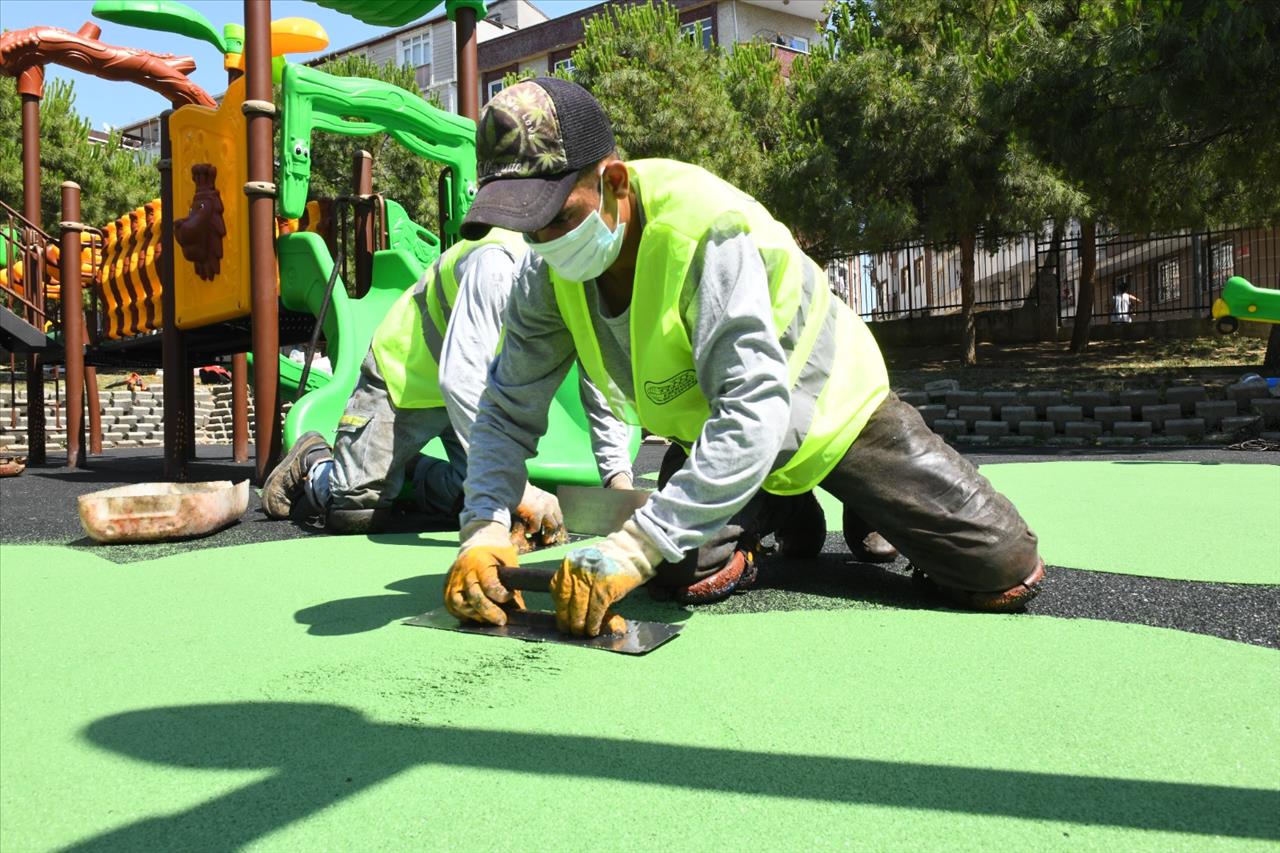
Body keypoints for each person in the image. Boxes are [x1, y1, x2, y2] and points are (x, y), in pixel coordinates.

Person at [443, 78, 1044, 635]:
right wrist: (485, 528)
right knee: (678, 570)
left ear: (615, 182)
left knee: (1002, 568)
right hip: (723, 428)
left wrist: (631, 549)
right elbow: (506, 409)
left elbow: (757, 408)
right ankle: (781, 505)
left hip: (832, 410)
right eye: (528, 226)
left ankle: (864, 500)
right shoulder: (544, 274)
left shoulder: (704, 230)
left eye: (559, 217)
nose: (546, 240)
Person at [260, 228, 636, 540]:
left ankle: (401, 466)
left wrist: (619, 483)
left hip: (477, 394)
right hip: (408, 376)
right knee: (355, 511)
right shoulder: (499, 265)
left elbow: (601, 385)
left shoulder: (586, 285)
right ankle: (316, 465)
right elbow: (460, 380)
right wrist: (516, 487)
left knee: (482, 503)